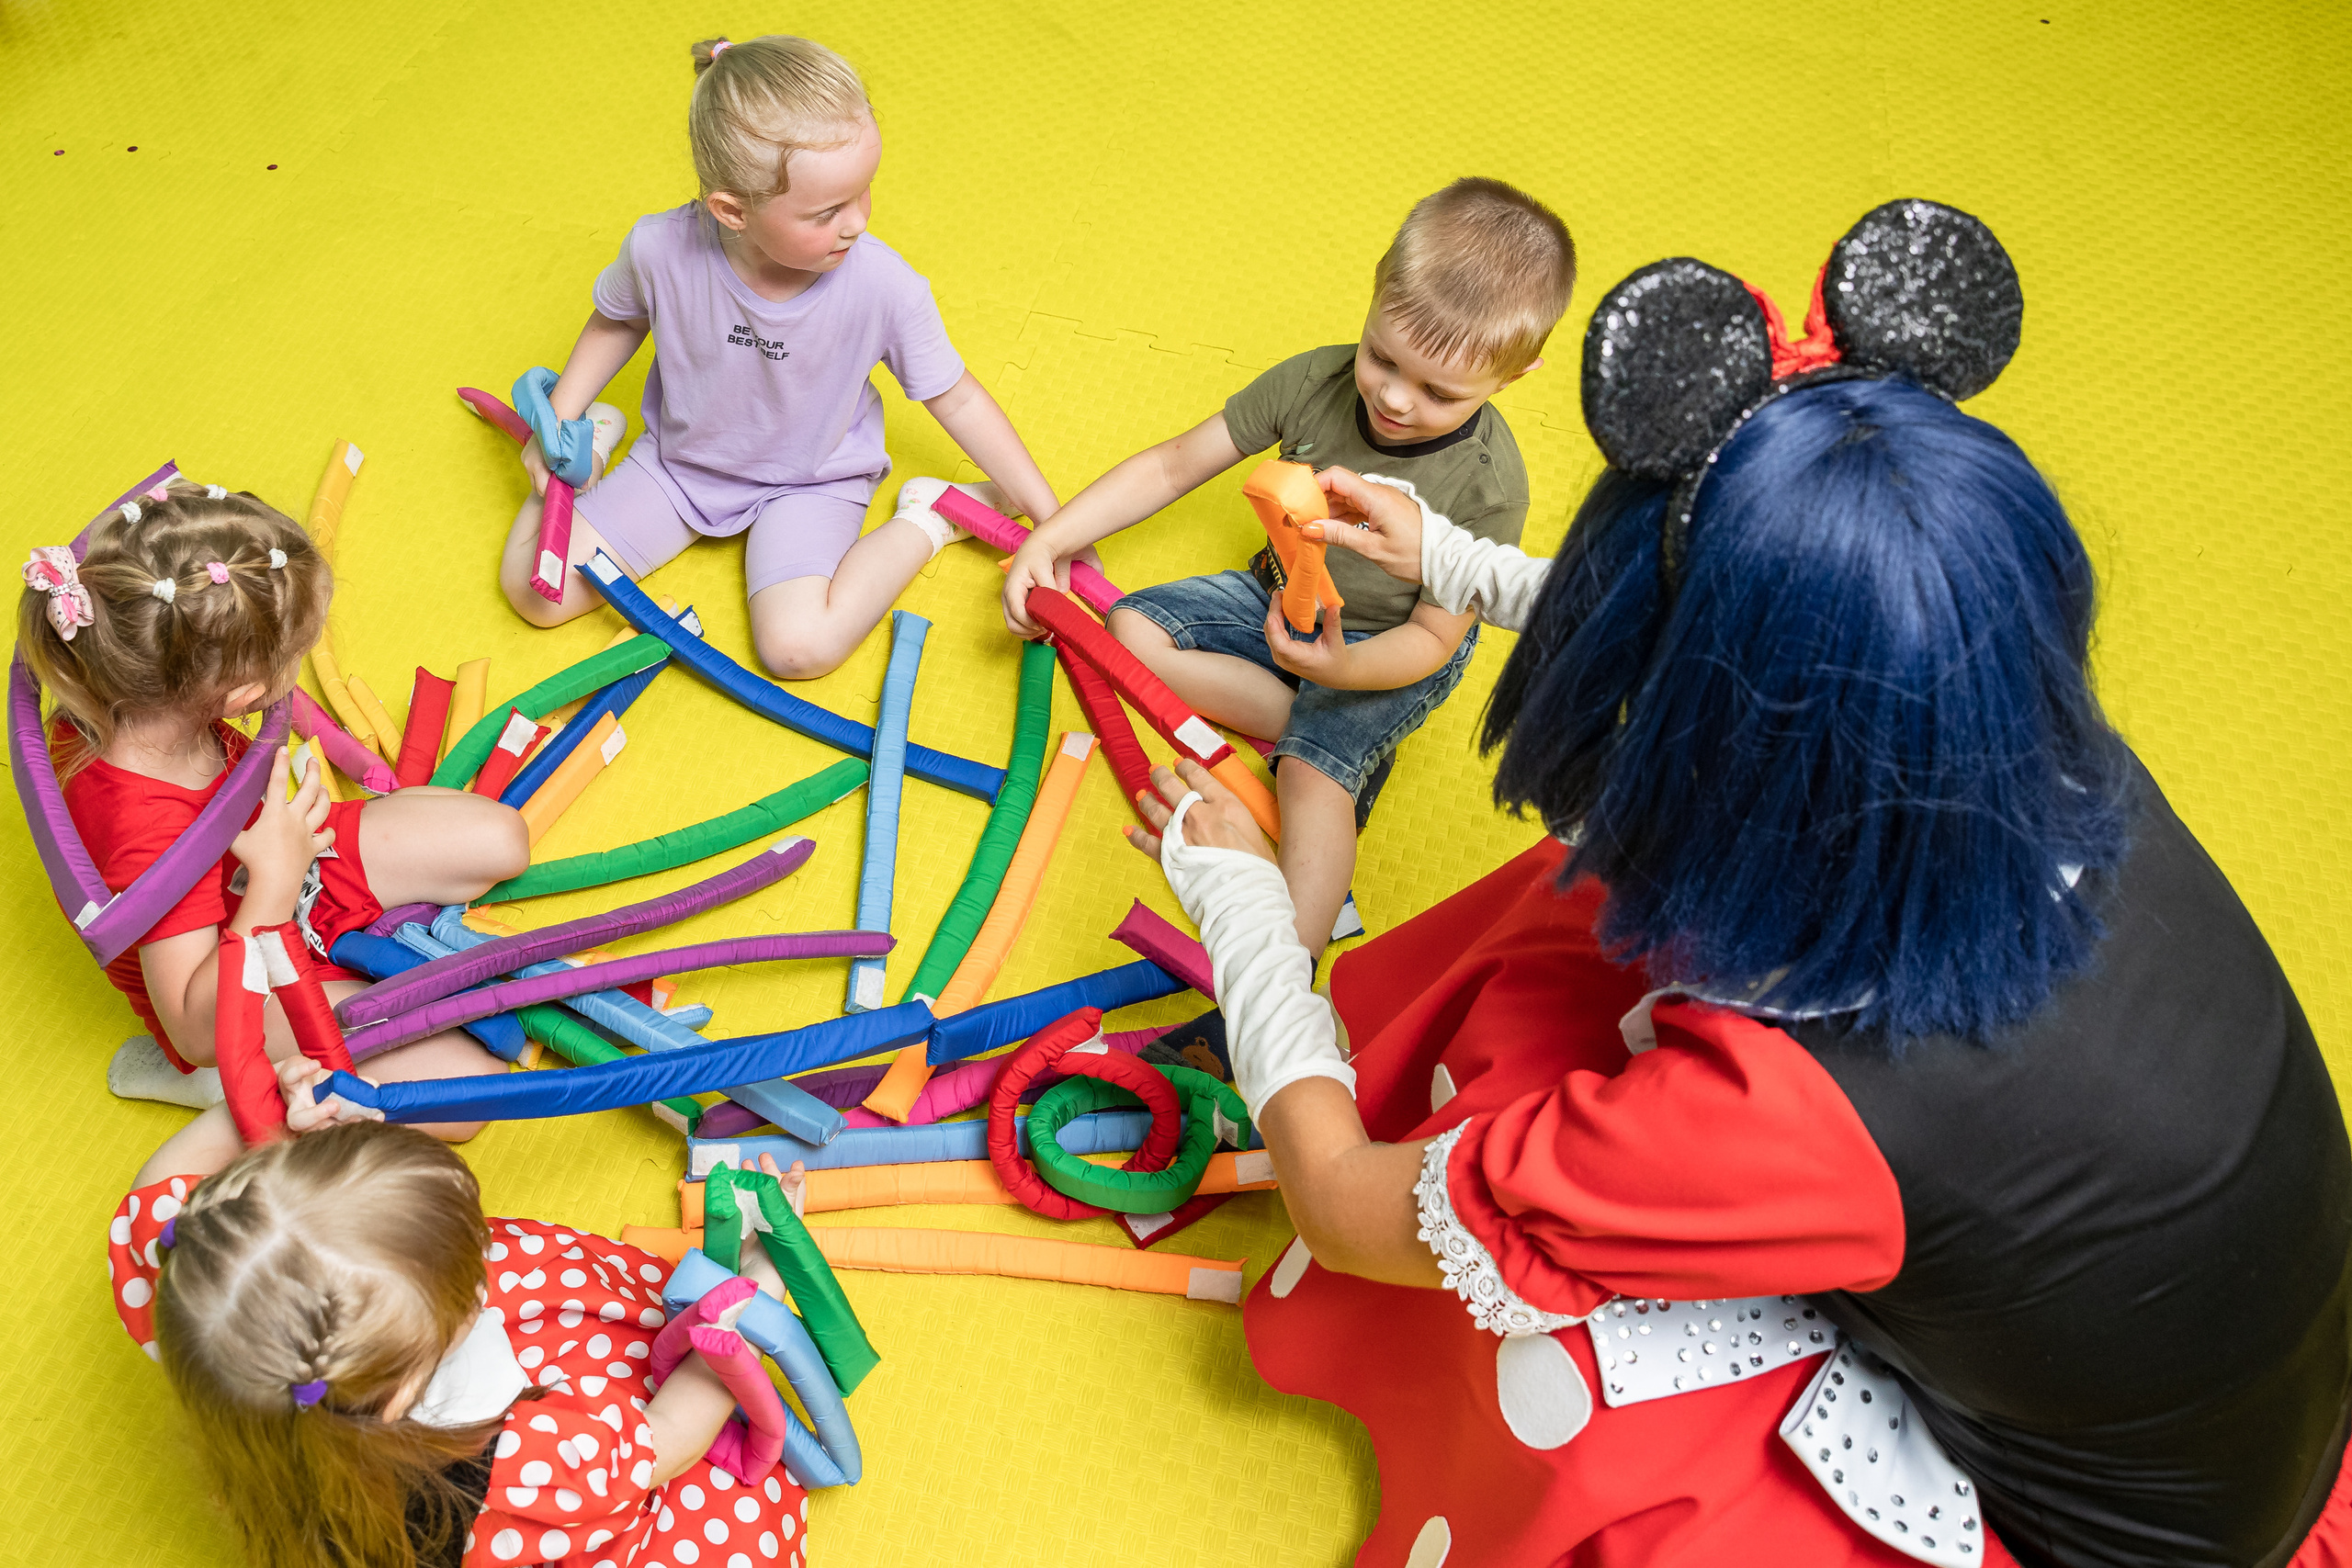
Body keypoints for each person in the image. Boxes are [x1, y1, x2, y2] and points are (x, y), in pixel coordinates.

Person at [1125, 201, 2352, 1566]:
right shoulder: (2023, 742)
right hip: (2195, 1366)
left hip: (2073, 1526)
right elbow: (1755, 635)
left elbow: (1348, 1210)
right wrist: (1452, 559)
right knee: (1577, 927)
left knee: (1578, 1366)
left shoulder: (1798, 1115)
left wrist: (1246, 916)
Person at [1001, 177, 1574, 956]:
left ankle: (1286, 960)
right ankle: (1305, 723)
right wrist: (1050, 539)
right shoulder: (1315, 382)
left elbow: (1437, 639)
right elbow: (1173, 465)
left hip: (1390, 645)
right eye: (1382, 356)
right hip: (1277, 591)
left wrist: (1345, 672)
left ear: (1514, 377)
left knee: (1310, 777)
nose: (1395, 399)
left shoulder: (1489, 484)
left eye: (1438, 392)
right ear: (1373, 296)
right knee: (1129, 629)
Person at [500, 33, 1063, 681]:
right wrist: (562, 417)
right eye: (827, 211)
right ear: (732, 211)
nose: (856, 223)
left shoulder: (884, 285)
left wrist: (1053, 525)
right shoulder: (660, 249)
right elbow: (618, 319)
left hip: (812, 476)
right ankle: (599, 431)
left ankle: (931, 516)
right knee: (534, 591)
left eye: (864, 192)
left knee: (799, 650)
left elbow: (957, 396)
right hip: (682, 464)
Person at [108, 1062, 818, 1568]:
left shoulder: (196, 1270)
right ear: (398, 1392)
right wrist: (750, 1293)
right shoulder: (513, 1466)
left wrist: (275, 1109)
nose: (482, 1278)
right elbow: (668, 1441)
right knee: (730, 1526)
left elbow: (159, 1181)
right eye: (464, 1286)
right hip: (542, 1507)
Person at [21, 479, 523, 1130]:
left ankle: (325, 939)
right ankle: (227, 1086)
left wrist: (288, 852)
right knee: (470, 1091)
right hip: (234, 974)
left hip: (284, 863)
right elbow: (195, 1023)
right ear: (241, 693)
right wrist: (277, 884)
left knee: (500, 840)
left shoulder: (136, 684)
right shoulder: (138, 823)